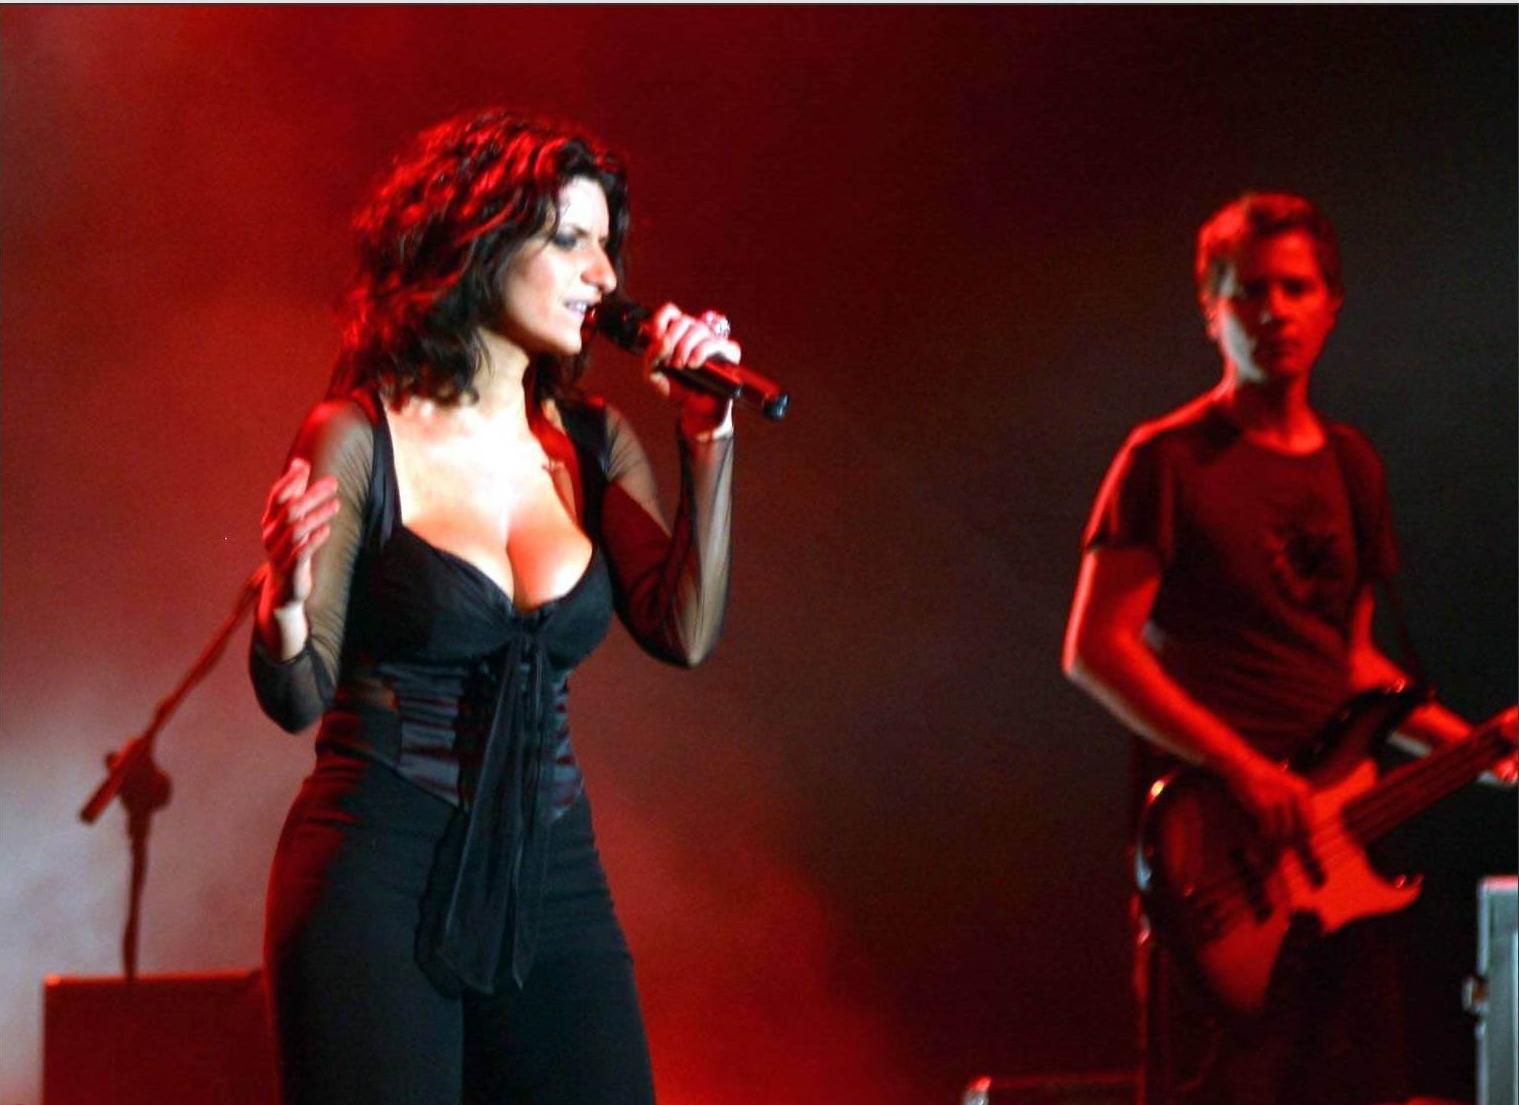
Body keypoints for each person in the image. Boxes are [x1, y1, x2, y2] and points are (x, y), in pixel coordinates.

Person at [249, 109, 743, 1105]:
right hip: (375, 869)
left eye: (607, 245)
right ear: (477, 247)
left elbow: (682, 628)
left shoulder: (593, 443)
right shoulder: (358, 433)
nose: (603, 274)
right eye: (569, 240)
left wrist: (707, 437)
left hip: (551, 871)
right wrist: (286, 599)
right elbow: (296, 696)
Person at [1061, 191, 1515, 1105]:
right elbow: (1095, 648)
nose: (1273, 311)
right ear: (1210, 309)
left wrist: (1481, 749)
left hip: (1338, 857)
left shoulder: (1351, 467)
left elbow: (1353, 665)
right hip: (1219, 867)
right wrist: (1241, 768)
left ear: (1330, 305)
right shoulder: (1165, 461)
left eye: (1295, 288)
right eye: (1248, 291)